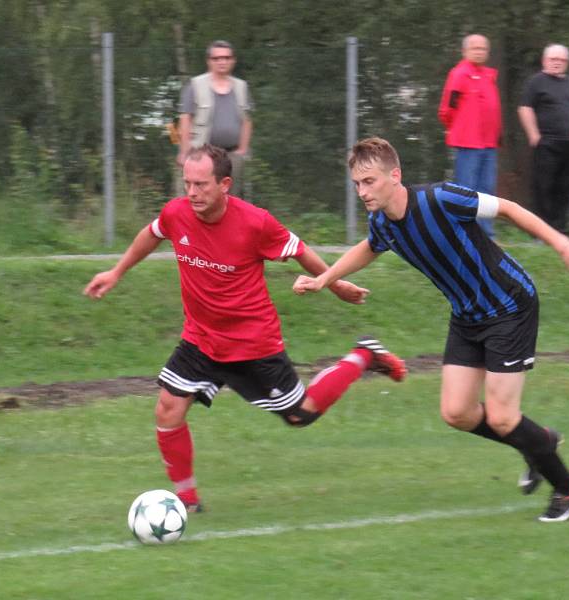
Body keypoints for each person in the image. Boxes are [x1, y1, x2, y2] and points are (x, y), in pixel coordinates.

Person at [84, 144, 407, 511]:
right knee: (168, 409)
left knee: (301, 414)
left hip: (252, 344)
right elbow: (152, 233)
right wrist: (116, 271)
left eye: (201, 184)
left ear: (224, 184)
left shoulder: (255, 222)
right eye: (187, 183)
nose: (192, 193)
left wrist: (334, 283)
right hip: (201, 339)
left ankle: (363, 355)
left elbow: (298, 248)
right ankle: (187, 501)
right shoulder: (177, 213)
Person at [293, 137, 569, 522]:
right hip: (467, 316)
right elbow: (368, 246)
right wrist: (325, 279)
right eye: (356, 183)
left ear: (395, 175)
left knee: (503, 417)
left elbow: (510, 209)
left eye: (369, 181)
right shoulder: (383, 222)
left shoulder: (442, 198)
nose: (361, 191)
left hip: (509, 305)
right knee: (457, 412)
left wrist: (564, 245)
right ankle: (539, 441)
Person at [438, 34, 502, 238]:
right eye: (474, 48)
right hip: (468, 144)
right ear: (464, 51)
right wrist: (461, 130)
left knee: (487, 191)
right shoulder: (459, 74)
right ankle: (464, 234)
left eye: (483, 48)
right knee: (467, 191)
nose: (479, 51)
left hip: (489, 143)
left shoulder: (488, 75)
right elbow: (447, 110)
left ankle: (486, 235)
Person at [518, 44, 569, 236]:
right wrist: (533, 135)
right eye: (553, 59)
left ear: (566, 63)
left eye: (561, 60)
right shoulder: (536, 82)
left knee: (564, 186)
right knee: (544, 186)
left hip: (568, 143)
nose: (557, 63)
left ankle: (559, 229)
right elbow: (524, 108)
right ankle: (541, 231)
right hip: (546, 142)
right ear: (545, 61)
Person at [176, 41, 253, 198]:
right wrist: (184, 152)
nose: (222, 62)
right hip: (202, 154)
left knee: (230, 200)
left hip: (231, 156)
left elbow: (247, 120)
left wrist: (243, 150)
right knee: (198, 198)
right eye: (216, 58)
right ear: (209, 61)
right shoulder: (195, 85)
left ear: (233, 60)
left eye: (226, 57)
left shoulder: (241, 87)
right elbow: (185, 119)